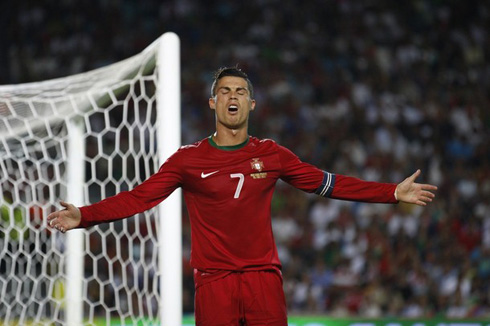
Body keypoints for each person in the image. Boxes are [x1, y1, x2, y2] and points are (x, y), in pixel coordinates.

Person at [47, 66, 437, 326]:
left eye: (240, 91)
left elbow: (328, 183)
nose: (232, 97)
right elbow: (140, 197)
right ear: (214, 102)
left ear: (251, 104)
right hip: (213, 283)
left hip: (262, 280)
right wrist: (85, 215)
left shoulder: (273, 155)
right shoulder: (187, 159)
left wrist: (391, 192)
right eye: (224, 91)